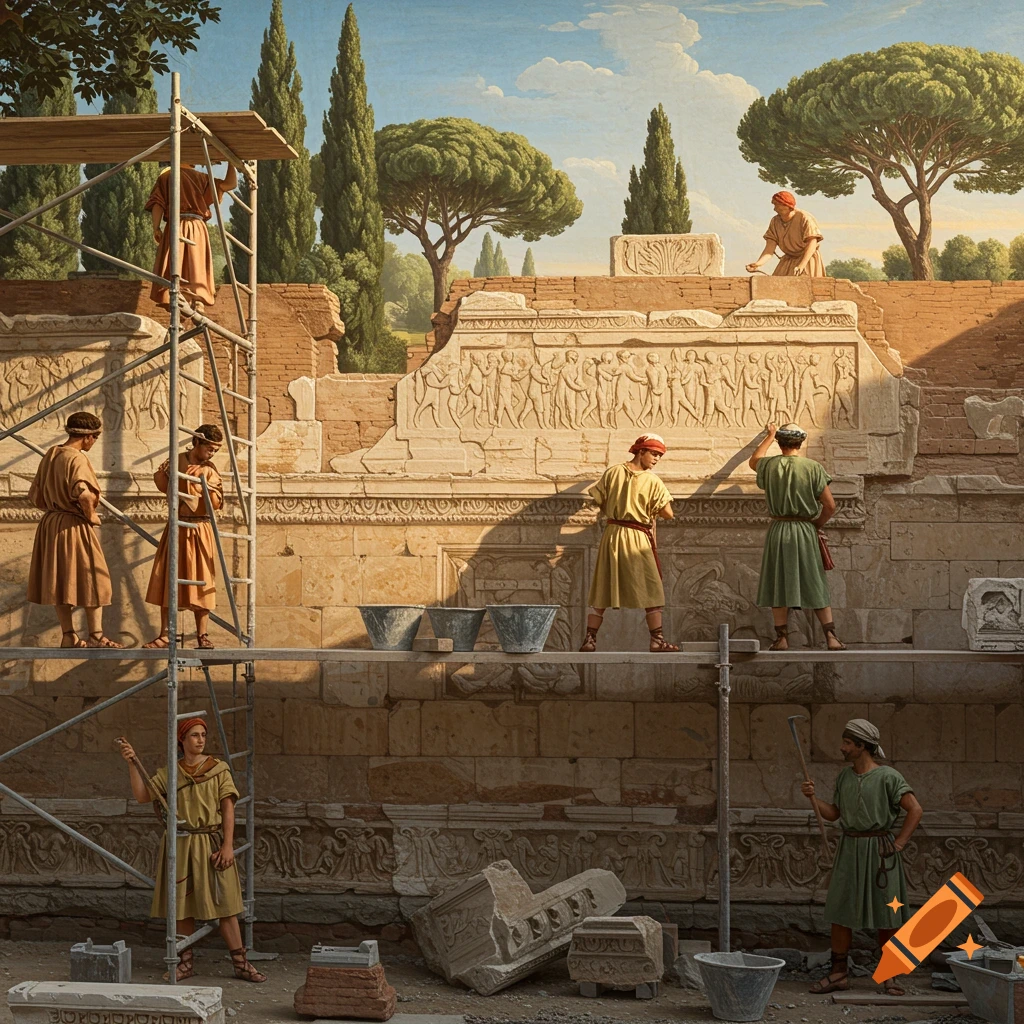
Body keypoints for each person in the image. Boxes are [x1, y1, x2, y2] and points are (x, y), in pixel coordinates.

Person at [120, 718, 266, 983]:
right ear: (182, 740)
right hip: (180, 845)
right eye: (195, 735)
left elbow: (228, 809)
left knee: (226, 905)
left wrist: (228, 846)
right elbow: (143, 796)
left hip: (210, 842)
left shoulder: (218, 769)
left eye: (203, 735)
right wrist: (132, 762)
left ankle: (241, 963)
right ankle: (185, 963)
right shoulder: (170, 773)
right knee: (182, 907)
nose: (200, 740)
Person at [801, 719, 923, 997]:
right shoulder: (844, 777)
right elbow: (833, 814)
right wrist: (812, 798)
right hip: (850, 850)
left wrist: (900, 843)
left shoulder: (889, 777)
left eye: (847, 743)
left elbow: (915, 809)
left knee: (887, 912)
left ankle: (889, 974)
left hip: (881, 852)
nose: (842, 748)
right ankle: (838, 974)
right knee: (840, 911)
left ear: (862, 746)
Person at [26, 411, 123, 649]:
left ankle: (68, 635)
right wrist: (90, 516)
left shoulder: (51, 454)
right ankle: (96, 636)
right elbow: (83, 492)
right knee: (94, 577)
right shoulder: (76, 458)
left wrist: (53, 507)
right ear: (88, 436)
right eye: (95, 438)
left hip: (51, 525)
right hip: (73, 524)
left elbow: (33, 496)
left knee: (60, 581)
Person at [749, 422, 845, 651]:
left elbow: (754, 461)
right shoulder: (813, 468)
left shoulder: (770, 466)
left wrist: (769, 436)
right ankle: (831, 637)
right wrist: (816, 525)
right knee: (815, 580)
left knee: (778, 581)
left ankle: (781, 638)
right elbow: (830, 505)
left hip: (779, 530)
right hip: (804, 531)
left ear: (780, 442)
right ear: (800, 443)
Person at [580, 433, 679, 652]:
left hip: (613, 536)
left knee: (603, 585)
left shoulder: (612, 473)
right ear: (640, 451)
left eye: (659, 456)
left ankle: (589, 639)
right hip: (637, 536)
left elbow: (598, 498)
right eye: (653, 454)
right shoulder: (652, 481)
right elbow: (668, 513)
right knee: (652, 588)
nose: (656, 459)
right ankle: (657, 640)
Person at [144, 424, 224, 650]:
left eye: (215, 450)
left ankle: (202, 634)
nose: (212, 454)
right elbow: (161, 482)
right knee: (168, 578)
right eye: (209, 448)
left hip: (200, 529)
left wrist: (200, 486)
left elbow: (215, 503)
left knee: (203, 580)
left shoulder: (210, 470)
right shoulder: (176, 460)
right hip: (177, 527)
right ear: (196, 442)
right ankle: (165, 634)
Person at [145, 161, 237, 311]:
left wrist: (156, 228)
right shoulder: (202, 178)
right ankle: (197, 299)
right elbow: (230, 184)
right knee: (196, 262)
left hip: (176, 225)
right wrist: (231, 162)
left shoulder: (166, 177)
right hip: (197, 226)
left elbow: (158, 204)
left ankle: (174, 299)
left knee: (174, 262)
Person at [746, 191, 825, 277]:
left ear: (786, 205)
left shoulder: (804, 218)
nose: (774, 209)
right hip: (788, 260)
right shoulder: (775, 221)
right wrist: (758, 264)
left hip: (807, 259)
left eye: (777, 205)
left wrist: (801, 265)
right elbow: (769, 249)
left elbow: (812, 243)